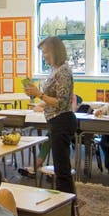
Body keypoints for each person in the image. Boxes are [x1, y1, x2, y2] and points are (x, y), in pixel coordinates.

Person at [22, 36, 75, 195]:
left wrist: (39, 94)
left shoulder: (63, 72)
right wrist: (36, 93)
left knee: (62, 170)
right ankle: (65, 207)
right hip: (56, 120)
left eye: (46, 52)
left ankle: (66, 211)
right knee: (61, 167)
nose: (43, 55)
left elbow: (61, 102)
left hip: (62, 120)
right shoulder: (55, 70)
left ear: (55, 51)